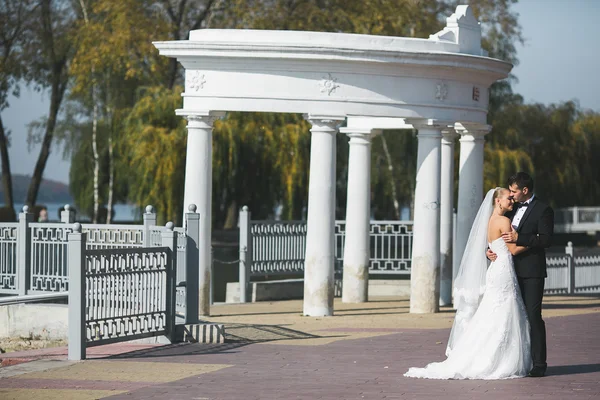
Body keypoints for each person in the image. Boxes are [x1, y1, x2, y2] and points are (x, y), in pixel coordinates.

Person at [404, 187, 532, 380]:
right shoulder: (504, 221)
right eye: (508, 198)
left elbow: (493, 246)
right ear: (497, 201)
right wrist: (533, 242)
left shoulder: (490, 221)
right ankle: (499, 359)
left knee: (494, 311)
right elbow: (513, 249)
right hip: (503, 269)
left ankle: (486, 354)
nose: (512, 201)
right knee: (504, 311)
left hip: (495, 269)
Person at [488, 172, 554, 378]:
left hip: (531, 272)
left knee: (533, 316)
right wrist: (488, 251)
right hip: (508, 271)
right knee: (513, 317)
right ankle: (514, 361)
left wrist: (520, 237)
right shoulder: (510, 207)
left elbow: (546, 240)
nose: (512, 195)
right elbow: (497, 236)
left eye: (514, 191)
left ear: (525, 190)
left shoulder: (544, 210)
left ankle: (539, 364)